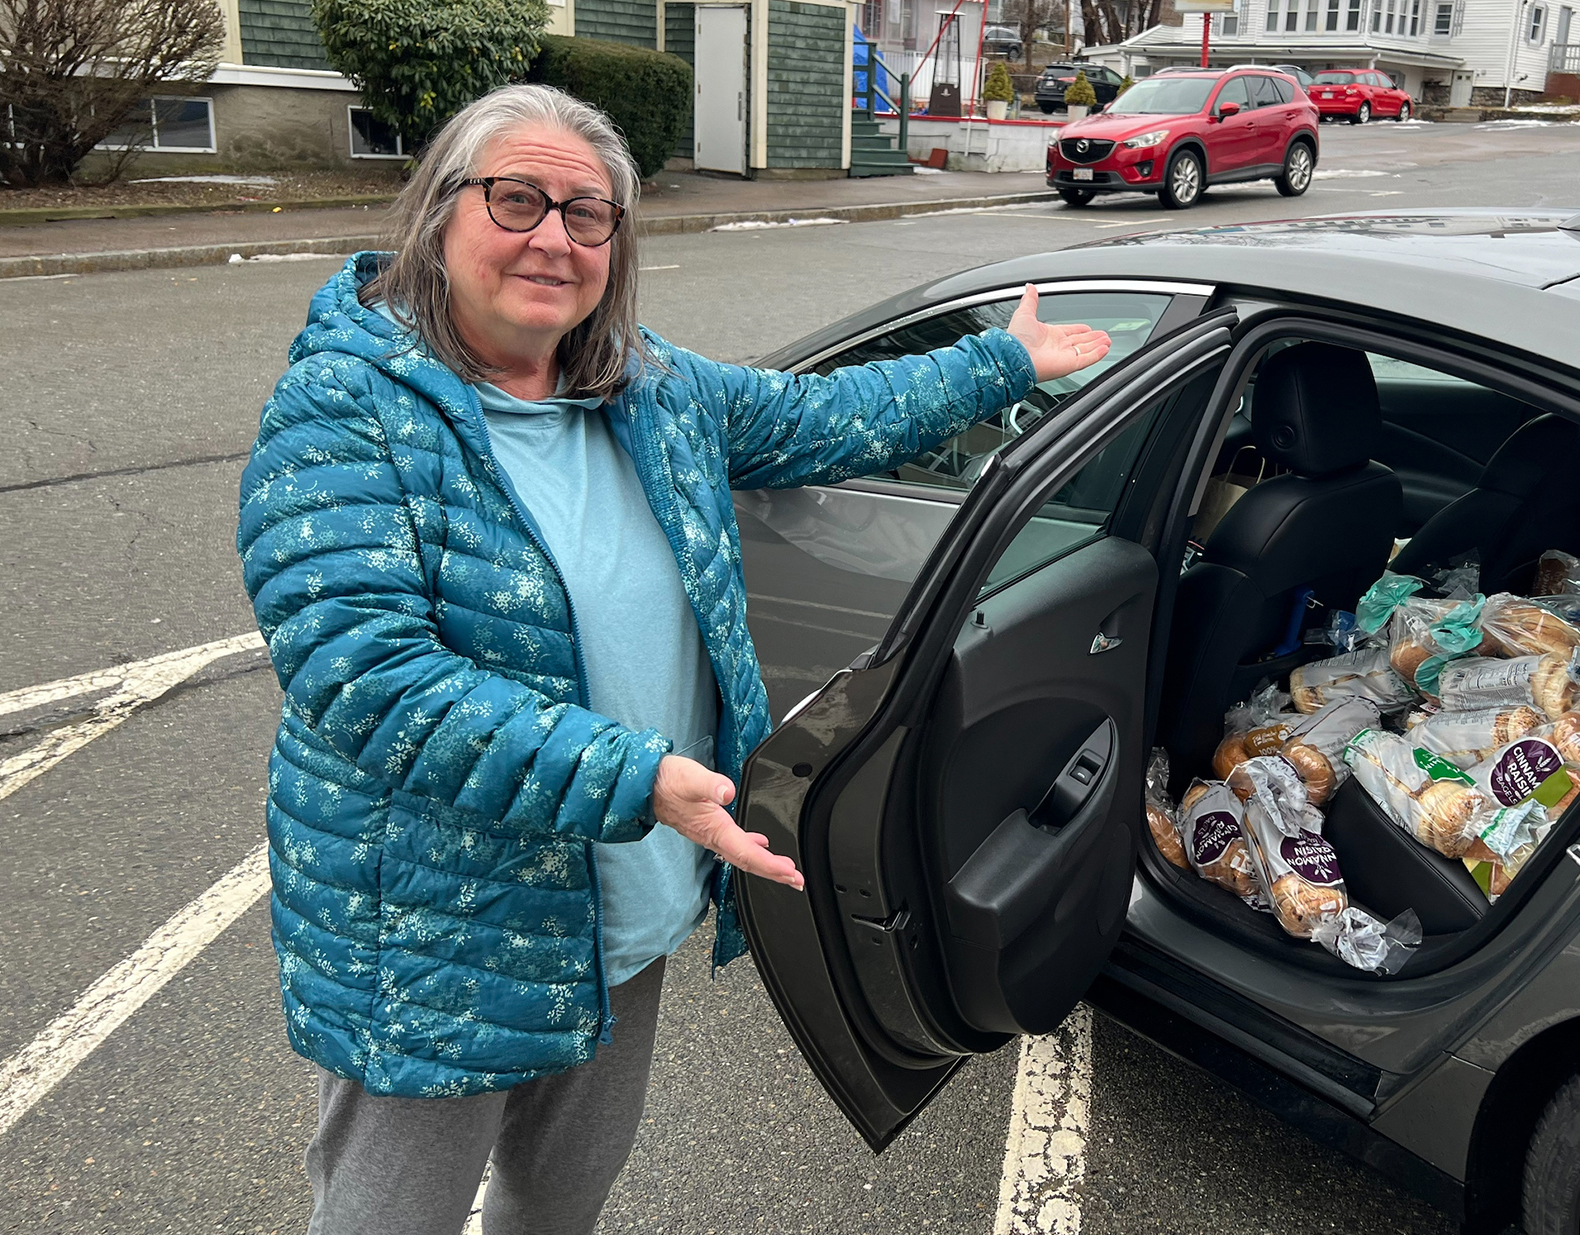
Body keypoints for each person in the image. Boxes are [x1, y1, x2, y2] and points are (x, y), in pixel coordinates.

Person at [235, 83, 1110, 1235]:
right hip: (437, 930)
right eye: (517, 199)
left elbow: (820, 416)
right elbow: (364, 672)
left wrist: (999, 366)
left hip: (627, 895)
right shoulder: (345, 409)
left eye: (587, 214)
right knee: (387, 1216)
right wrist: (632, 777)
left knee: (561, 1196)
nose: (553, 236)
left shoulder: (647, 389)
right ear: (440, 214)